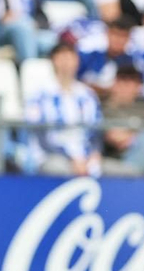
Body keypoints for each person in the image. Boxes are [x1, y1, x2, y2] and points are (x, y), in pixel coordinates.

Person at [25, 39, 103, 176]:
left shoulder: (88, 95)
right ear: (53, 61)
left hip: (85, 159)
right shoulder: (39, 96)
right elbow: (41, 135)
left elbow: (96, 132)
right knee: (58, 169)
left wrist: (94, 154)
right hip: (50, 156)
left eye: (70, 57)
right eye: (61, 57)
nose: (66, 62)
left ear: (77, 61)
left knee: (119, 172)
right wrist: (73, 158)